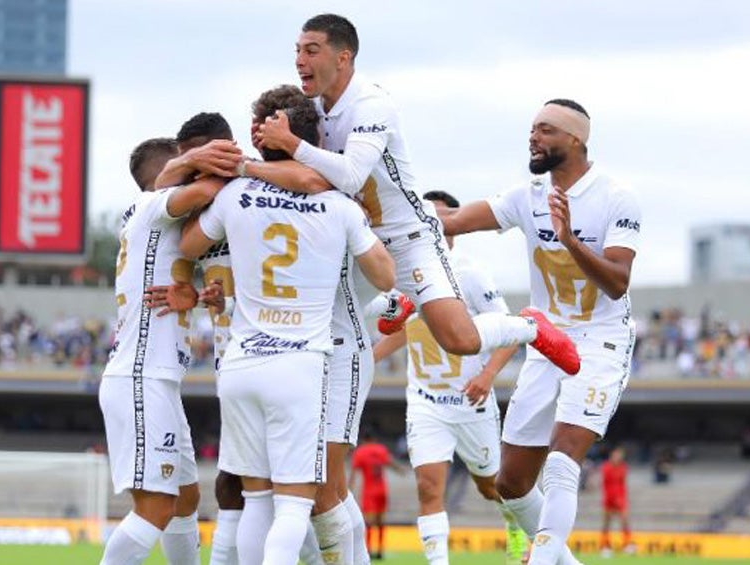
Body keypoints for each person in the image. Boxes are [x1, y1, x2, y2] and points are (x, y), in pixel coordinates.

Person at [246, 13, 579, 377]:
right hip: (360, 242)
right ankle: (393, 305)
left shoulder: (371, 104)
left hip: (409, 239)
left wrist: (290, 143)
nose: (299, 60)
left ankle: (529, 326)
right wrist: (262, 145)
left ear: (343, 57)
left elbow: (352, 175)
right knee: (319, 314)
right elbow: (306, 171)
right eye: (297, 51)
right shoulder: (311, 108)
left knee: (460, 339)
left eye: (311, 51)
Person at [179, 91, 395, 565]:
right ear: (313, 137)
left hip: (241, 361)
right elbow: (385, 276)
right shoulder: (339, 206)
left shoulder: (235, 193)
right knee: (296, 504)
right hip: (299, 365)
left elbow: (190, 243)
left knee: (255, 500)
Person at [441, 98, 642, 565]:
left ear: (576, 140)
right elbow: (454, 222)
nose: (534, 137)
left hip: (601, 340)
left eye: (546, 130)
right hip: (546, 340)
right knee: (509, 483)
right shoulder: (526, 196)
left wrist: (569, 239)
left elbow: (617, 282)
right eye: (533, 128)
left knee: (561, 463)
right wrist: (391, 218)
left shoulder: (616, 197)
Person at [147, 111, 326, 565]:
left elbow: (310, 181)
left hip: (291, 351)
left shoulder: (255, 190)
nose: (191, 171)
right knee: (240, 484)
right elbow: (177, 247)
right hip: (237, 357)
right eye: (186, 164)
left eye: (196, 160)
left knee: (298, 491)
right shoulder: (202, 207)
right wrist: (192, 287)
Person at [372, 190, 526, 565]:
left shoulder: (470, 273)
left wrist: (488, 375)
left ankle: (515, 525)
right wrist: (366, 359)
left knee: (492, 486)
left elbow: (511, 330)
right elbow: (402, 328)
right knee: (428, 488)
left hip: (470, 402)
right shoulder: (401, 274)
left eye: (442, 218)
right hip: (426, 402)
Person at [97, 137, 226, 565]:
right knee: (155, 507)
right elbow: (209, 190)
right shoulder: (154, 206)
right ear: (165, 177)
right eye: (184, 168)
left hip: (158, 380)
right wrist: (202, 159)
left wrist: (198, 296)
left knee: (186, 497)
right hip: (141, 377)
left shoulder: (152, 223)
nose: (194, 174)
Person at [349, 431, 404, 560]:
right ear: (374, 438)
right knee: (381, 522)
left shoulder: (360, 452)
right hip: (382, 490)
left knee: (368, 523)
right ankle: (380, 550)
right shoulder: (381, 449)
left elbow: (354, 473)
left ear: (364, 439)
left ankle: (368, 549)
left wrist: (349, 490)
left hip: (369, 492)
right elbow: (390, 463)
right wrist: (401, 471)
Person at [599, 447, 634, 556]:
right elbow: (605, 484)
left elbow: (622, 484)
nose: (617, 458)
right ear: (611, 456)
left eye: (619, 456)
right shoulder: (606, 467)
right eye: (616, 455)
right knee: (606, 523)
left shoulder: (623, 467)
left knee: (624, 522)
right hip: (609, 498)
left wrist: (622, 498)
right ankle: (605, 546)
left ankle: (627, 545)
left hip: (620, 498)